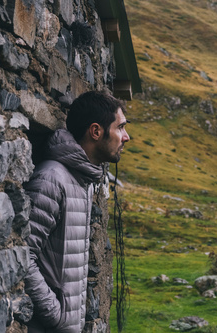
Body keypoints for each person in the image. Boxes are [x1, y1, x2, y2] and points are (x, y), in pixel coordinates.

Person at [23, 91, 130, 333]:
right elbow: (22, 255)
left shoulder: (82, 180)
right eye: (120, 127)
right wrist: (56, 315)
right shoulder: (52, 179)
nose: (126, 137)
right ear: (96, 131)